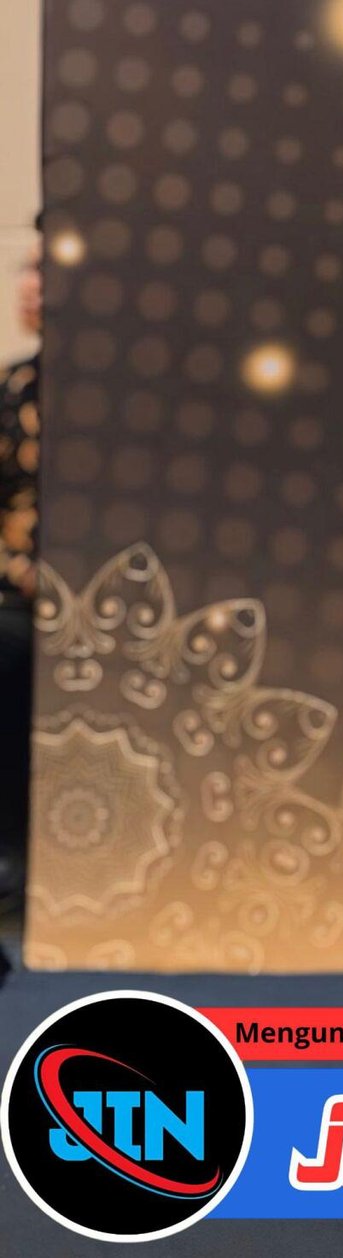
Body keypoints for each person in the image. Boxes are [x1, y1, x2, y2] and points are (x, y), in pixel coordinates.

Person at [0, 229, 42, 970]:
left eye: (46, 267)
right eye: (26, 270)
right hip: (14, 600)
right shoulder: (10, 391)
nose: (32, 283)